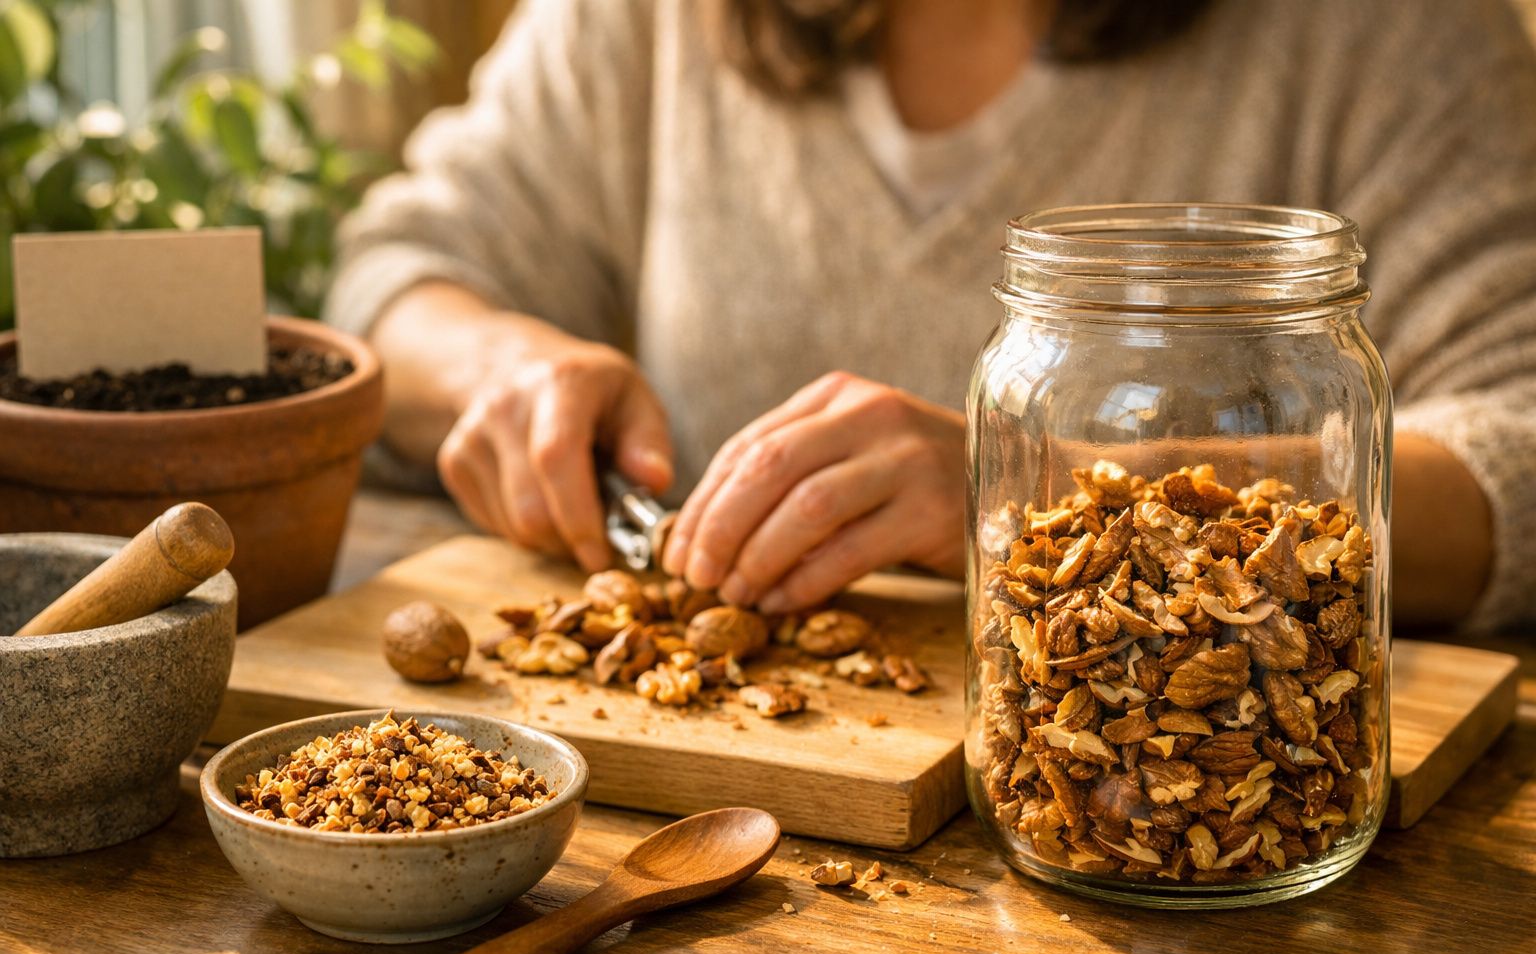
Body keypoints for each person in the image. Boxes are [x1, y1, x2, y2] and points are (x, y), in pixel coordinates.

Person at [327, 0, 1536, 632]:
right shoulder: (641, 20)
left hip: (1179, 805)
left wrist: (1050, 496)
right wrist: (510, 368)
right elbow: (405, 273)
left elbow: (1518, 446)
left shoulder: (1383, 31)